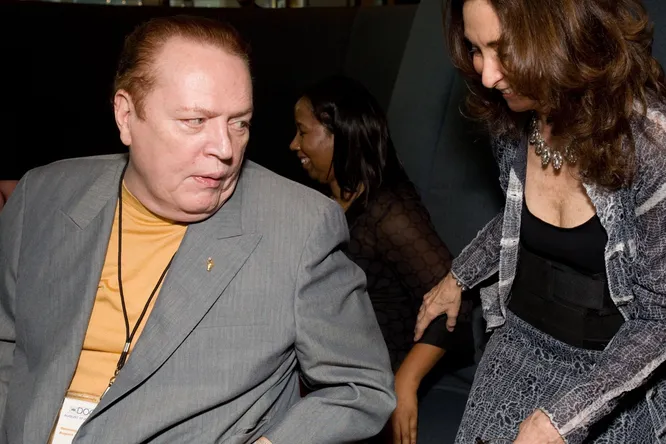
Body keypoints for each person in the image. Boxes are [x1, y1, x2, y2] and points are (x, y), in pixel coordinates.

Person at [0, 16, 396, 444]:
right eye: (195, 121)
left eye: (239, 123)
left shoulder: (299, 227)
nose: (225, 149)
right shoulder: (42, 195)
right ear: (126, 115)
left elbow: (361, 386)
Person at [414, 0, 666, 443]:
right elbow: (519, 220)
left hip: (611, 377)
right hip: (517, 345)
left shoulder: (649, 146)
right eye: (475, 49)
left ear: (561, 33)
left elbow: (658, 321)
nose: (488, 76)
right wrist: (458, 277)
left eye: (504, 50)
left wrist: (560, 420)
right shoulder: (513, 118)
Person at [289, 75, 476, 443]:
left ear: (340, 134)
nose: (294, 144)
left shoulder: (389, 212)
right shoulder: (325, 201)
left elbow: (456, 301)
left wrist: (405, 382)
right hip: (332, 374)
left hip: (375, 382)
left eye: (303, 132)